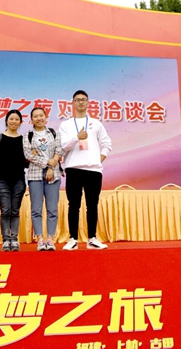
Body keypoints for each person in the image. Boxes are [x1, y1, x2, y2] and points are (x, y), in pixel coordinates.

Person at [59, 90, 112, 250]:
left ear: (88, 102)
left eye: (83, 99)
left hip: (93, 171)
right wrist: (77, 137)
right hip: (74, 169)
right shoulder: (66, 125)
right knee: (73, 205)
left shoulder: (96, 123)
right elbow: (62, 146)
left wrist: (98, 159)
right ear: (73, 103)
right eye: (77, 100)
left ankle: (92, 239)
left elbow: (107, 144)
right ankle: (73, 239)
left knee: (92, 205)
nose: (81, 102)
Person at [23, 107, 64, 251]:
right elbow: (28, 155)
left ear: (46, 117)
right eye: (35, 116)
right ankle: (40, 239)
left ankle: (50, 239)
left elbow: (59, 150)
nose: (39, 118)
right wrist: (47, 162)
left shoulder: (54, 133)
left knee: (52, 209)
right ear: (31, 119)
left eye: (41, 115)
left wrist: (51, 167)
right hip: (35, 175)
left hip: (54, 175)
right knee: (36, 209)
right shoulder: (28, 135)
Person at [0, 109, 28, 252]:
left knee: (15, 211)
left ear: (20, 122)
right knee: (5, 211)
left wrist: (32, 156)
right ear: (6, 121)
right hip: (1, 180)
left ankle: (14, 239)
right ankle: (6, 240)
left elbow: (26, 162)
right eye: (11, 119)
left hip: (18, 180)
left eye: (17, 119)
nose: (14, 122)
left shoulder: (24, 140)